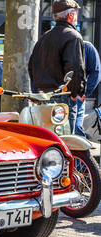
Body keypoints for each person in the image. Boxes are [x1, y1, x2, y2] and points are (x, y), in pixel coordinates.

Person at [28, 0, 86, 134]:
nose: (77, 17)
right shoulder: (73, 36)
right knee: (65, 141)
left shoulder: (44, 37)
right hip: (62, 97)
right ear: (71, 16)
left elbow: (31, 66)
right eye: (76, 14)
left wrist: (38, 89)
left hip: (42, 97)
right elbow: (75, 70)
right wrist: (76, 94)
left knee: (45, 140)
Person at [75, 41, 101, 137]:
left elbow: (96, 72)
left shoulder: (86, 46)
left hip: (76, 95)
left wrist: (84, 93)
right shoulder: (56, 44)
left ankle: (82, 152)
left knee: (76, 130)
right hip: (55, 95)